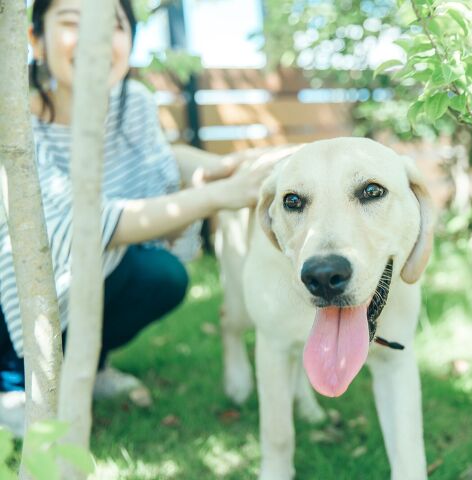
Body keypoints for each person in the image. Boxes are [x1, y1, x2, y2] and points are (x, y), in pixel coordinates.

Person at [0, 0, 280, 436]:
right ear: (35, 38)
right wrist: (219, 195)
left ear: (128, 40)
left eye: (112, 25)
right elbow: (76, 227)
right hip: (16, 284)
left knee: (158, 275)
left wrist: (224, 167)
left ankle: (88, 366)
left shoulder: (132, 103)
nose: (95, 39)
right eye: (73, 23)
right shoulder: (14, 123)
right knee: (37, 260)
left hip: (86, 272)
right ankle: (14, 385)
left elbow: (158, 168)